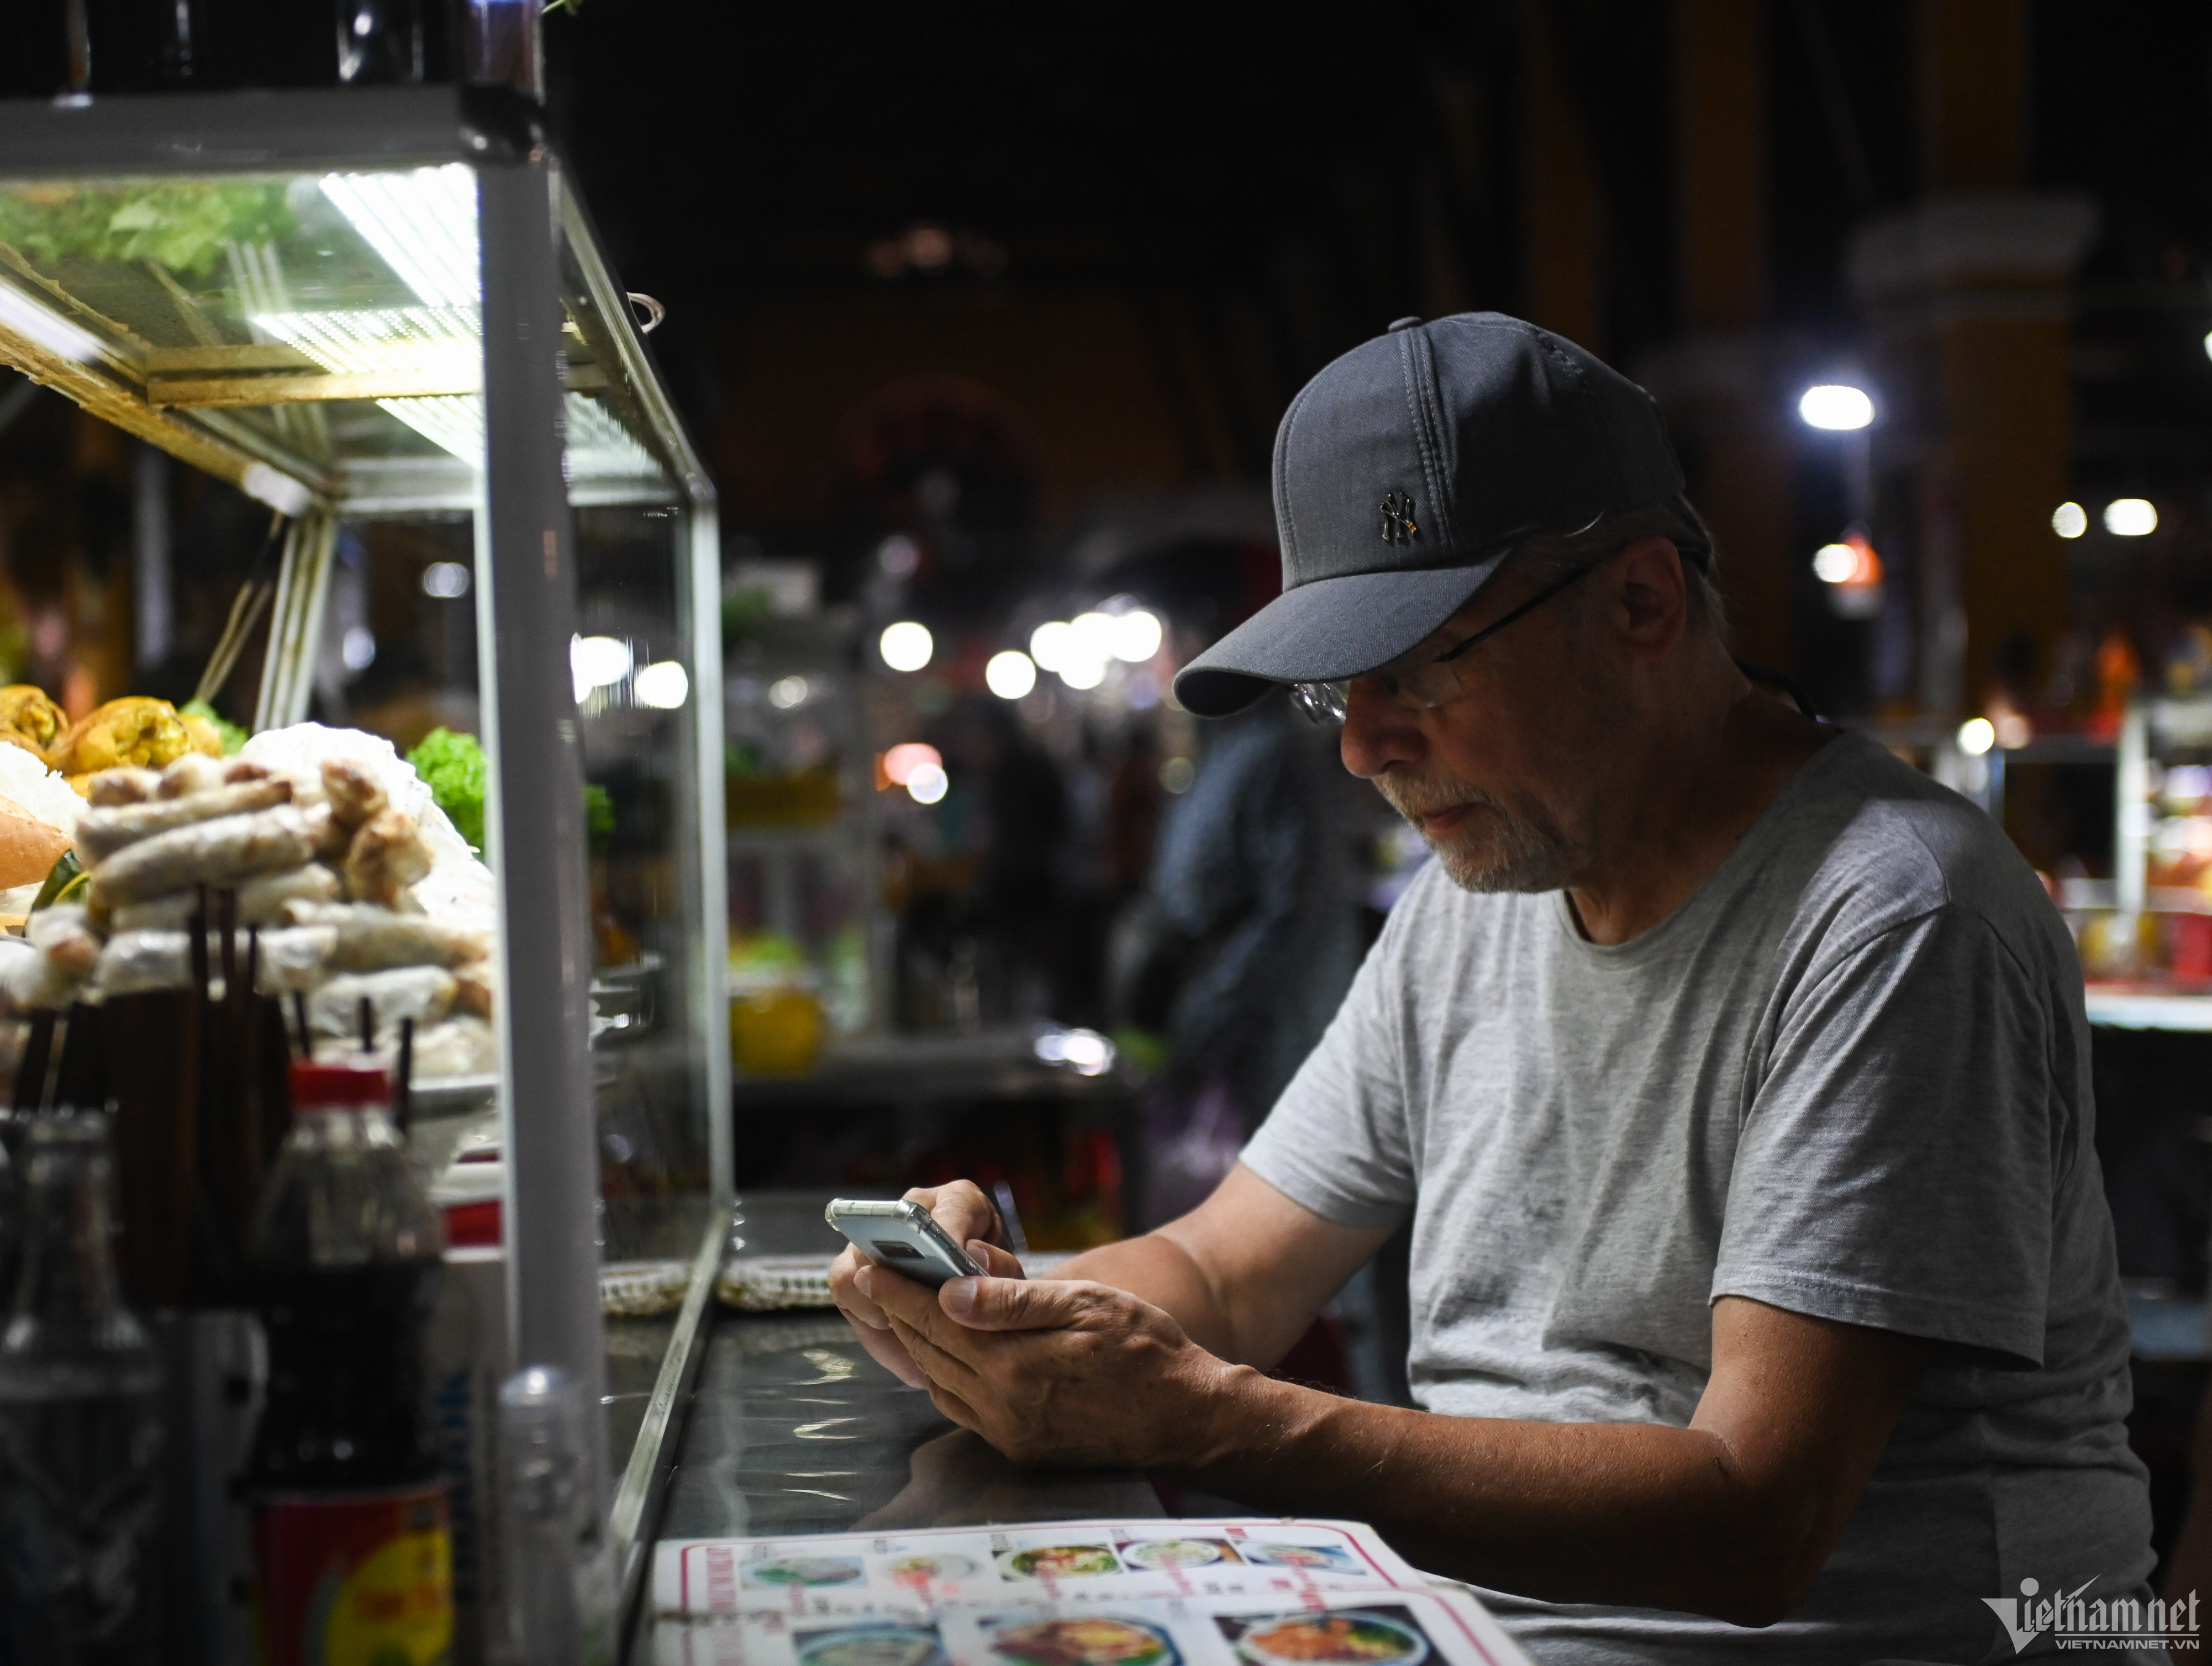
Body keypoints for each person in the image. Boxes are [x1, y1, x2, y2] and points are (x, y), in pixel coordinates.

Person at [829, 313, 2156, 1665]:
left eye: (1415, 668)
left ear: (1639, 602)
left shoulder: (1893, 915)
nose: (1359, 746)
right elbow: (1223, 1271)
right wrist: (994, 1307)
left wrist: (1217, 1420)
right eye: (1334, 690)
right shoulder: (1475, 901)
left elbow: (1755, 1518)